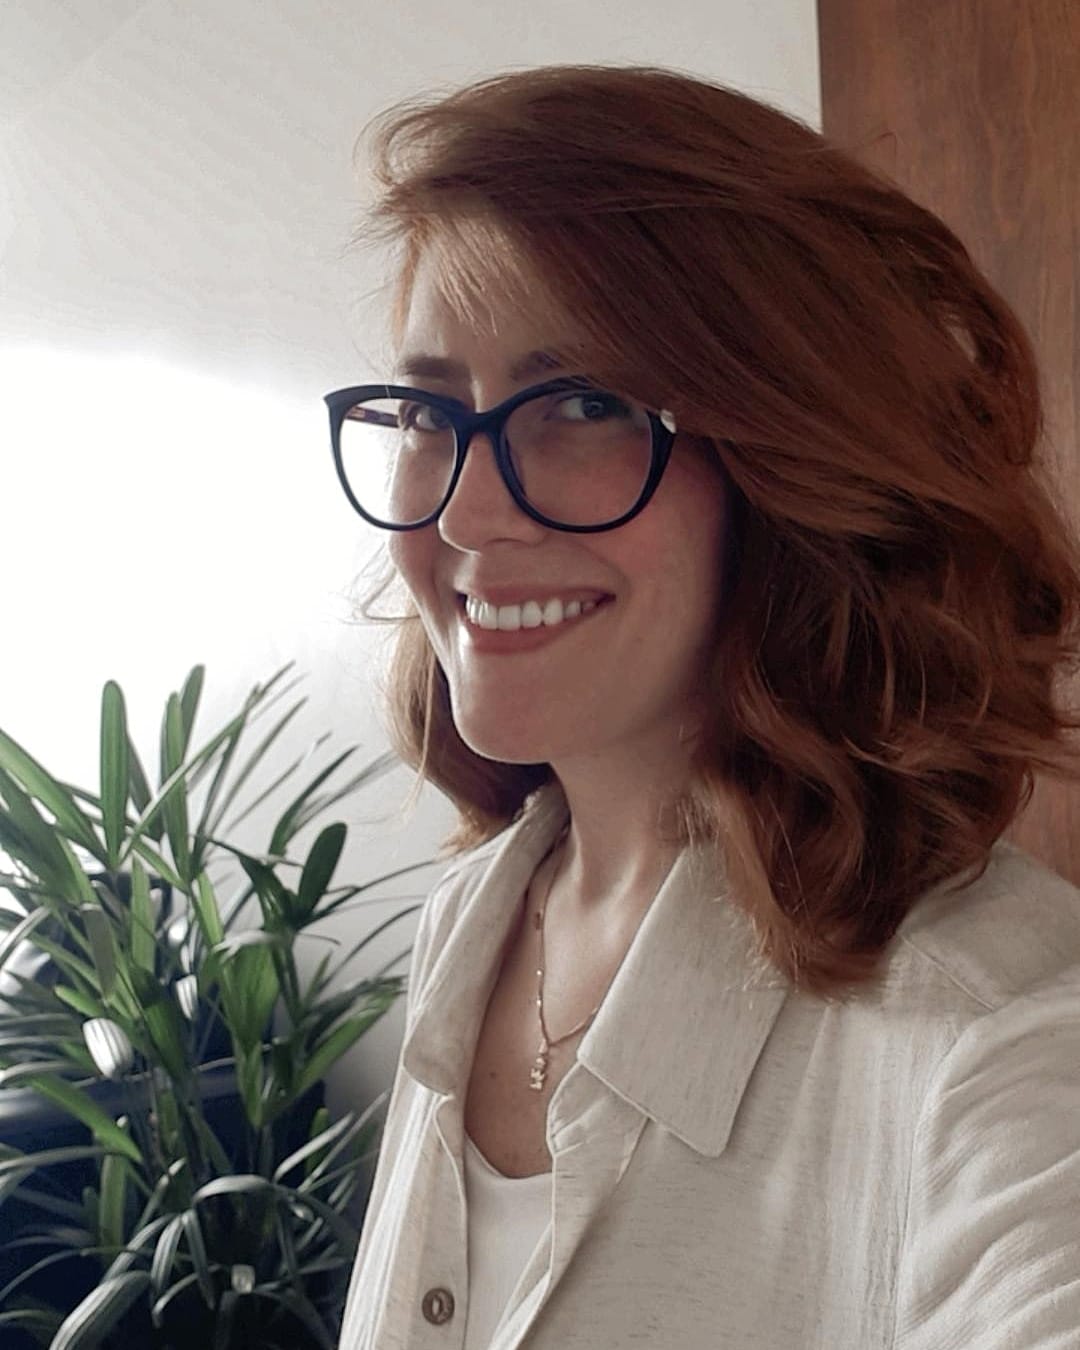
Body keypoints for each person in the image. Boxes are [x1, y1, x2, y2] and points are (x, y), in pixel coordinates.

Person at [329, 64, 1080, 1349]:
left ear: (788, 459)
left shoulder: (1001, 1041)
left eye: (584, 405)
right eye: (428, 412)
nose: (467, 512)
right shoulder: (474, 915)